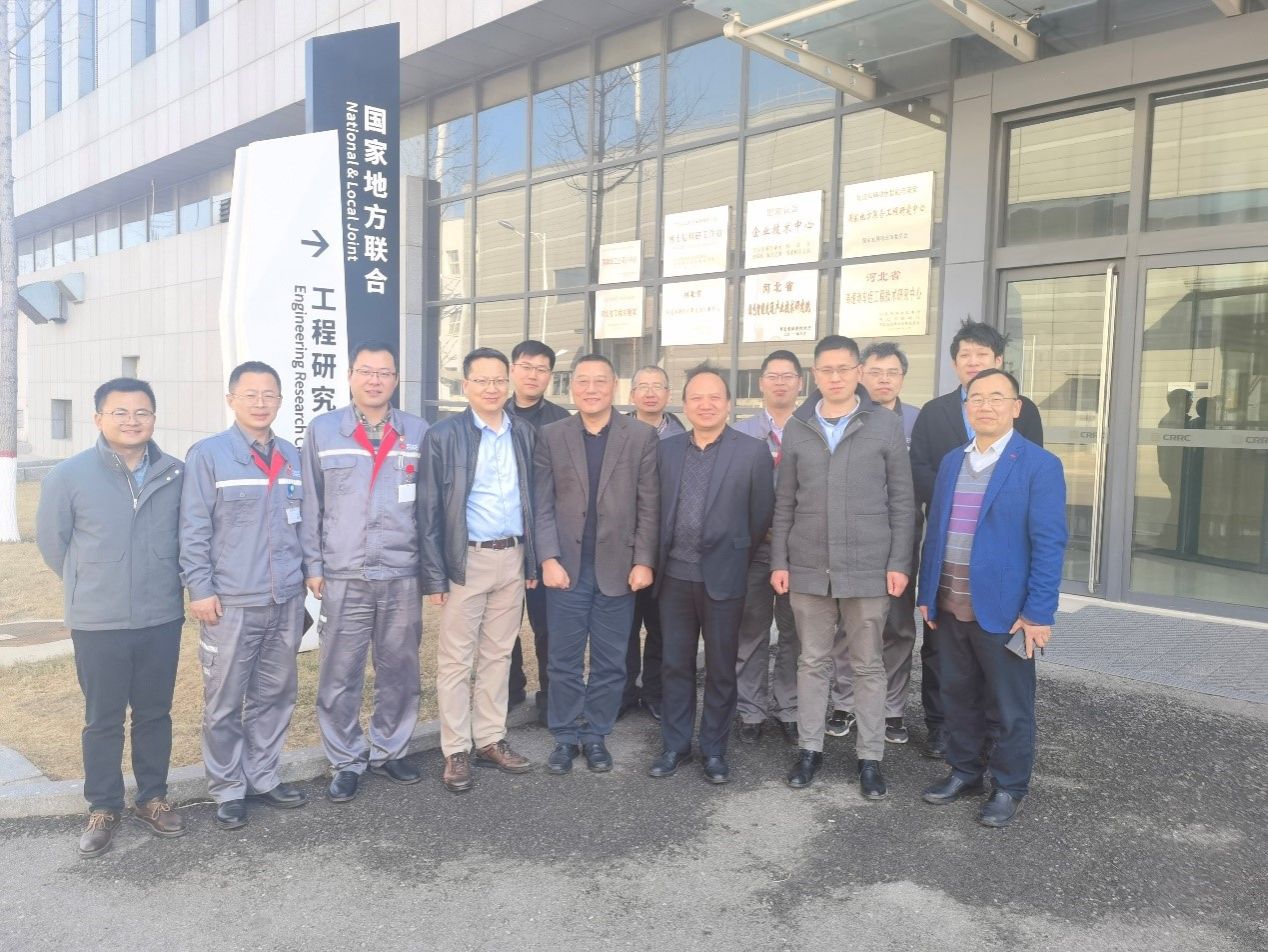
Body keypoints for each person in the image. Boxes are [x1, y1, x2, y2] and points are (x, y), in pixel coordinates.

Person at [36, 377, 188, 857]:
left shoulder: (175, 473)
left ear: (154, 418)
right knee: (102, 718)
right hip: (98, 621)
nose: (131, 421)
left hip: (161, 615)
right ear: (98, 418)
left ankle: (153, 798)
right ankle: (103, 806)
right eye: (119, 412)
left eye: (141, 412)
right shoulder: (69, 475)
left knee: (155, 713)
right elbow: (54, 544)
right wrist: (93, 581)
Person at [917, 368, 1067, 827]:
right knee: (957, 695)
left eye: (996, 397)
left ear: (1016, 408)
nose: (985, 406)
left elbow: (1049, 543)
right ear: (966, 408)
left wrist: (1038, 612)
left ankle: (1008, 786)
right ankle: (965, 771)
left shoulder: (1039, 465)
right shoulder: (952, 462)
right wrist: (927, 593)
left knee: (1009, 706)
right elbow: (936, 532)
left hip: (1006, 612)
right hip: (950, 603)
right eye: (976, 398)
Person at [770, 335, 916, 799]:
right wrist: (780, 561)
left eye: (843, 369)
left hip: (868, 567)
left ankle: (870, 757)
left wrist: (898, 562)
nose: (835, 377)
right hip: (809, 566)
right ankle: (809, 749)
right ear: (815, 375)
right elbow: (784, 504)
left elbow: (903, 502)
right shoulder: (799, 426)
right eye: (826, 370)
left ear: (858, 372)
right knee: (812, 661)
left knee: (868, 665)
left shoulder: (884, 425)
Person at [180, 361, 310, 830]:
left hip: (285, 599)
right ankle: (228, 788)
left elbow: (304, 524)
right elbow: (193, 528)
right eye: (250, 394)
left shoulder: (292, 456)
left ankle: (263, 776)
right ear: (231, 399)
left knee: (275, 694)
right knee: (224, 701)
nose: (260, 403)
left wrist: (307, 576)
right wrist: (200, 588)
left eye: (269, 395)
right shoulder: (210, 455)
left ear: (280, 401)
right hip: (230, 603)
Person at [300, 341, 430, 803]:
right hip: (344, 571)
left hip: (402, 570)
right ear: (350, 376)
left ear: (396, 379)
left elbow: (429, 508)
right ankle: (346, 759)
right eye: (366, 371)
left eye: (384, 372)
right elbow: (311, 502)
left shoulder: (418, 432)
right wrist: (313, 564)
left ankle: (391, 749)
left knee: (400, 668)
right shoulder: (323, 431)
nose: (375, 380)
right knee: (340, 671)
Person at [908, 319, 1043, 759]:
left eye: (982, 354)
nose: (973, 361)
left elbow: (1037, 503)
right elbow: (919, 468)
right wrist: (955, 495)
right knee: (946, 664)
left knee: (1003, 676)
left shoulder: (1027, 420)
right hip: (950, 564)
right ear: (954, 364)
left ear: (999, 361)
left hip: (1001, 571)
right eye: (965, 355)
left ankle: (1004, 767)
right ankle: (946, 737)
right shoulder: (937, 417)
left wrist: (1039, 608)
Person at [419, 348, 539, 794]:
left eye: (498, 380)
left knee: (498, 654)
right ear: (465, 385)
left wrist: (531, 560)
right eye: (482, 380)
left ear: (508, 384)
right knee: (456, 660)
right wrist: (435, 575)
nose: (491, 388)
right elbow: (429, 509)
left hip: (512, 556)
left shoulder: (523, 433)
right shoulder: (443, 435)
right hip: (465, 561)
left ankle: (490, 738)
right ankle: (455, 749)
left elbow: (533, 501)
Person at [534, 354, 659, 775]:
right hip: (566, 569)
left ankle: (596, 735)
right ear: (572, 387)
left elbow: (649, 505)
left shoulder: (640, 436)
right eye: (583, 381)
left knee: (610, 661)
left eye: (600, 381)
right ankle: (565, 736)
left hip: (618, 568)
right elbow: (541, 504)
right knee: (563, 660)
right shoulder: (552, 435)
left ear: (614, 386)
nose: (591, 389)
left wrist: (644, 560)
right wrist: (548, 557)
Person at [648, 366, 773, 784]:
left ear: (729, 404)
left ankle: (715, 750)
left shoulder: (751, 452)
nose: (706, 405)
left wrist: (734, 555)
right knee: (675, 664)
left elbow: (759, 516)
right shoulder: (666, 451)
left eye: (714, 397)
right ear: (685, 404)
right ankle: (675, 745)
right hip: (674, 578)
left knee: (721, 666)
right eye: (697, 397)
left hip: (725, 575)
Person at [828, 342, 922, 746]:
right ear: (861, 374)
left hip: (900, 538)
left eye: (892, 372)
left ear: (903, 377)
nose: (884, 380)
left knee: (897, 625)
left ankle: (892, 708)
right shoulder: (845, 415)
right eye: (876, 372)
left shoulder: (918, 421)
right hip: (853, 540)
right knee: (848, 623)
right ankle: (845, 702)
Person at [734, 350, 803, 746]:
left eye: (787, 375)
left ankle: (789, 707)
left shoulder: (812, 429)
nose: (780, 382)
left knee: (796, 634)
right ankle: (751, 710)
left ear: (800, 383)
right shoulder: (741, 432)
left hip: (799, 551)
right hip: (755, 548)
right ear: (761, 382)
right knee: (751, 630)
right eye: (772, 375)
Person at [504, 340, 571, 723]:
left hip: (546, 539)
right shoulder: (494, 414)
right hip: (504, 538)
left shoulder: (562, 421)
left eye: (542, 369)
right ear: (513, 370)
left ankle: (551, 696)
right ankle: (510, 688)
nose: (533, 375)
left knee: (549, 625)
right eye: (526, 367)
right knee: (501, 622)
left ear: (550, 376)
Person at [622, 365, 686, 721]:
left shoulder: (684, 436)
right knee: (624, 626)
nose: (649, 393)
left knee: (662, 626)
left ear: (668, 394)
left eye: (657, 386)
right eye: (642, 386)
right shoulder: (617, 432)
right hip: (623, 546)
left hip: (668, 550)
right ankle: (624, 692)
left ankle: (655, 692)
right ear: (632, 394)